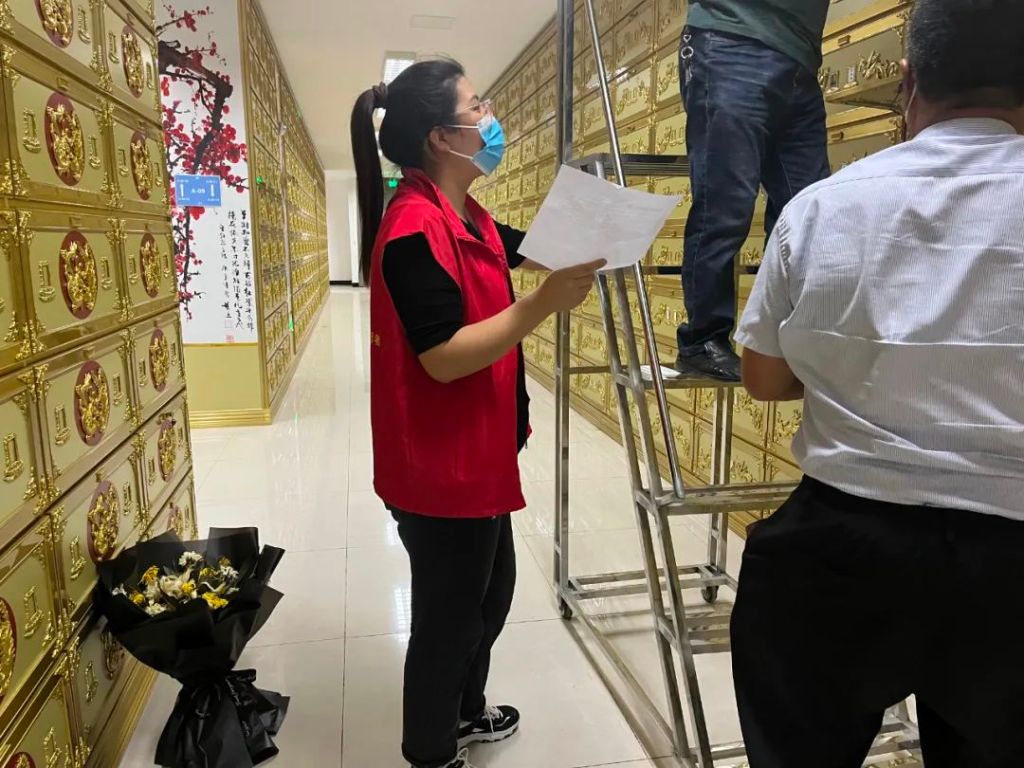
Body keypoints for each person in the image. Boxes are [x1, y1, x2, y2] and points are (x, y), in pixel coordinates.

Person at [730, 0, 1024, 764]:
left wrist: (865, 368)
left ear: (907, 81)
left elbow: (762, 377)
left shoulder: (823, 206)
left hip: (840, 546)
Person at [350, 60, 603, 768]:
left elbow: (522, 247)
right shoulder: (413, 228)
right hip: (439, 467)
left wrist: (601, 227)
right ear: (441, 136)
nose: (491, 118)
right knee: (449, 619)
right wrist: (540, 305)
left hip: (477, 453)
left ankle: (464, 710)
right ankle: (431, 752)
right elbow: (442, 357)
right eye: (477, 106)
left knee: (488, 597)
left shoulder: (467, 216)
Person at [675, 0, 832, 381]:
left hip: (801, 59)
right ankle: (702, 341)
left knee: (810, 214)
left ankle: (783, 338)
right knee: (725, 206)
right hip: (731, 37)